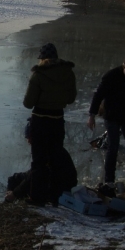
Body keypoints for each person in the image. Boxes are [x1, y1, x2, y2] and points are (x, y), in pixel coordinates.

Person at [22, 43, 77, 205]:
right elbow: (71, 98)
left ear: (42, 59)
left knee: (39, 161)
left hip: (39, 120)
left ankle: (37, 197)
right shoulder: (68, 73)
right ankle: (55, 196)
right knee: (56, 158)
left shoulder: (38, 75)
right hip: (57, 120)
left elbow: (28, 103)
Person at [87, 56, 125, 186]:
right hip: (112, 116)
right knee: (113, 147)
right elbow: (98, 95)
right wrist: (92, 115)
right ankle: (109, 180)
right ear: (123, 68)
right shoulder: (111, 76)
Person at [5, 118, 77, 204]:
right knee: (14, 179)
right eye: (27, 137)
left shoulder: (46, 151)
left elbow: (35, 175)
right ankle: (9, 200)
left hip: (58, 189)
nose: (28, 141)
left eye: (29, 137)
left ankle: (11, 201)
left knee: (24, 183)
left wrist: (14, 193)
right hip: (54, 182)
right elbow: (34, 172)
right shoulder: (50, 146)